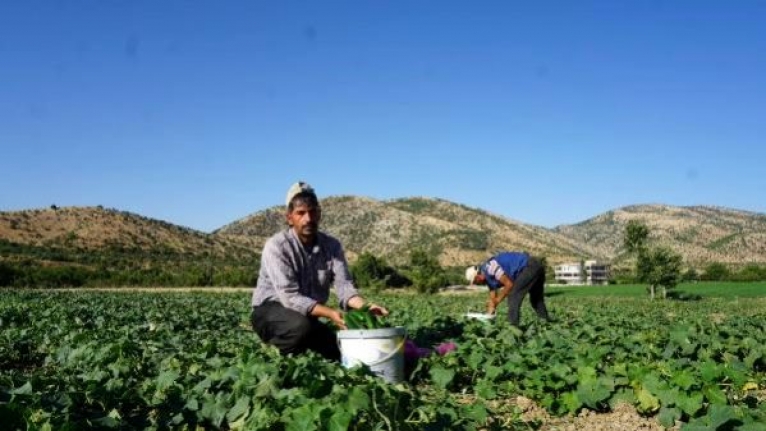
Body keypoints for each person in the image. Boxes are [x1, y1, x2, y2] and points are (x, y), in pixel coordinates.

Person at [251, 181, 389, 361]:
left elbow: (345, 287)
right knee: (300, 328)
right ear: (289, 218)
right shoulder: (277, 246)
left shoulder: (331, 246)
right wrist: (331, 313)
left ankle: (300, 348)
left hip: (305, 316)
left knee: (339, 352)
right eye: (301, 213)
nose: (308, 218)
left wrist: (366, 306)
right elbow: (290, 298)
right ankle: (273, 359)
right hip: (270, 311)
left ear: (319, 214)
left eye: (313, 212)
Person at [465, 251, 551, 327]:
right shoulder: (487, 277)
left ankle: (512, 328)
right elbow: (492, 295)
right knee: (536, 300)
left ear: (478, 277)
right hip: (536, 265)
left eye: (476, 282)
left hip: (529, 266)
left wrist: (497, 301)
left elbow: (509, 285)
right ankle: (547, 323)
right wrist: (490, 311)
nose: (477, 284)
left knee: (513, 295)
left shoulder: (490, 268)